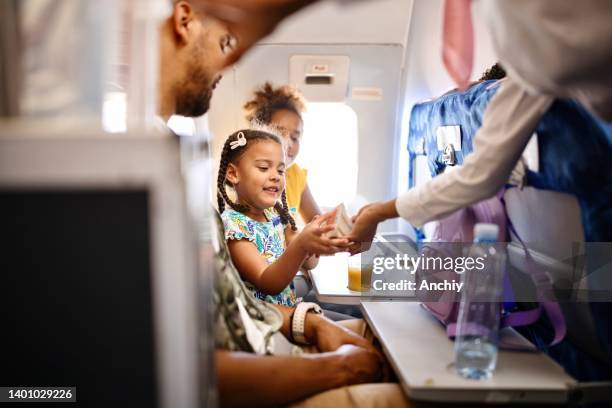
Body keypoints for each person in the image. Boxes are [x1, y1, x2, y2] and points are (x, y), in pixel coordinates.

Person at [159, 2, 408, 406]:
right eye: (225, 41)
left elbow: (244, 307)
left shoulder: (269, 203)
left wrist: (308, 321)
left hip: (282, 322)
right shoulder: (224, 218)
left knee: (393, 343)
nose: (229, 62)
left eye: (292, 144)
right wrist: (336, 361)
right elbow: (266, 286)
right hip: (270, 339)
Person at [217, 128, 340, 306]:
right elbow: (268, 282)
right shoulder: (234, 226)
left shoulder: (275, 216)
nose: (275, 176)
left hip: (291, 311)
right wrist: (300, 245)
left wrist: (312, 242)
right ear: (233, 174)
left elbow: (310, 264)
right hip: (269, 323)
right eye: (264, 168)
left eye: (281, 171)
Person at [244, 82, 321, 222]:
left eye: (295, 137)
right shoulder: (252, 179)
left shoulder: (295, 173)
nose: (289, 143)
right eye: (280, 133)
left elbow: (318, 221)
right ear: (259, 134)